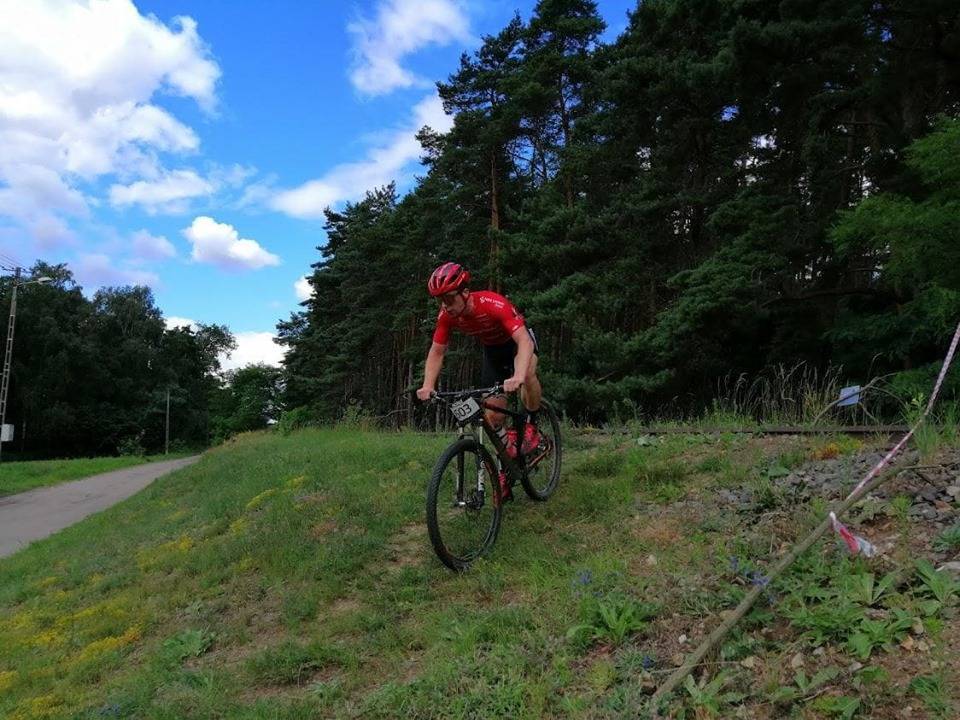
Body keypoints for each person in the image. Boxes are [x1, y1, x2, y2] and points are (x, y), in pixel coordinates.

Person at [416, 262, 545, 472]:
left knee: (528, 374)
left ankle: (532, 422)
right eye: (440, 301)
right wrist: (428, 385)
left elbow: (524, 341)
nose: (445, 306)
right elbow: (437, 351)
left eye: (449, 299)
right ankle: (509, 460)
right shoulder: (446, 316)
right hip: (493, 351)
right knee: (493, 417)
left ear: (465, 292)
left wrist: (518, 375)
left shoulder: (493, 304)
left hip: (517, 343)